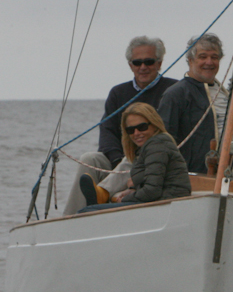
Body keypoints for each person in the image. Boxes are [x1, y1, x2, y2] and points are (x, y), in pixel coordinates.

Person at [62, 36, 177, 215]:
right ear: (130, 65)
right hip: (120, 161)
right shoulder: (118, 93)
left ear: (159, 63)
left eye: (149, 62)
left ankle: (103, 193)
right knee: (89, 159)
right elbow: (107, 131)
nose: (143, 67)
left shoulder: (173, 90)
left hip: (153, 160)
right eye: (137, 62)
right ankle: (70, 218)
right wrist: (117, 160)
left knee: (136, 156)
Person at [77, 103, 191, 213]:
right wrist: (132, 190)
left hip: (166, 204)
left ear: (154, 125)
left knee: (88, 211)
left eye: (142, 127)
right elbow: (153, 182)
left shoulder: (157, 146)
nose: (136, 133)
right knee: (91, 210)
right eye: (131, 130)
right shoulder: (148, 147)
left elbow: (152, 191)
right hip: (161, 202)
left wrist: (125, 199)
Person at [157, 34, 229, 174]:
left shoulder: (225, 94)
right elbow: (163, 142)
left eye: (214, 57)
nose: (209, 62)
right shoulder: (176, 94)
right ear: (190, 60)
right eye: (203, 57)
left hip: (227, 173)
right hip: (193, 175)